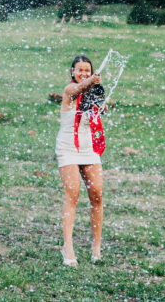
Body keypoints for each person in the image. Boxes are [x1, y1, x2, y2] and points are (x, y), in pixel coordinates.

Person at [56, 55, 108, 266]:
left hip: (88, 149)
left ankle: (96, 247)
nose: (83, 73)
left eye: (87, 70)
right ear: (72, 72)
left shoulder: (93, 94)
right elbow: (78, 90)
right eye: (80, 70)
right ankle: (67, 246)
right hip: (68, 148)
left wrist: (100, 101)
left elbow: (100, 111)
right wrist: (91, 81)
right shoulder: (69, 91)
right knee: (73, 194)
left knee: (97, 194)